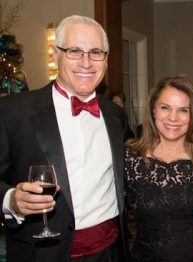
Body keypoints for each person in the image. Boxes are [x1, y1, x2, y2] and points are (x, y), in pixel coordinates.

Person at [0, 15, 129, 262]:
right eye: (74, 51)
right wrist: (11, 200)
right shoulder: (12, 113)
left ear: (106, 59)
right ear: (56, 54)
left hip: (109, 251)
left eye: (95, 52)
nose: (86, 62)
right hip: (41, 254)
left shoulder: (116, 116)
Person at [124, 76, 193, 262]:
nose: (173, 118)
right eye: (165, 107)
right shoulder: (129, 158)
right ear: (153, 110)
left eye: (183, 110)